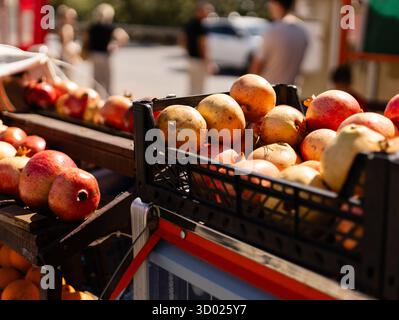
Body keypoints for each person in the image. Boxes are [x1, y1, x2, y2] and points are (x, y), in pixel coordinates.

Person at [250, 0, 309, 85]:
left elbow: (257, 67)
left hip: (268, 91)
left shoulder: (272, 30)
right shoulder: (303, 31)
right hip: (291, 92)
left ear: (276, 4)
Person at [85, 3, 129, 94]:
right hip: (105, 56)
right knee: (107, 80)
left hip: (94, 55)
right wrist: (116, 45)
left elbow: (86, 40)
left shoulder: (92, 27)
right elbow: (124, 37)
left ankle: (94, 99)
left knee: (96, 80)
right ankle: (109, 100)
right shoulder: (110, 28)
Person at [181, 1, 215, 95]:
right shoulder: (202, 26)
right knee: (199, 90)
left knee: (192, 87)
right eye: (207, 10)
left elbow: (182, 41)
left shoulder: (189, 24)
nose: (208, 13)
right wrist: (208, 62)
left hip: (191, 59)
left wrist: (189, 52)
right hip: (199, 61)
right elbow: (202, 45)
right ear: (200, 11)